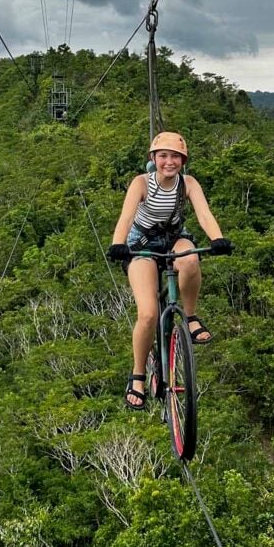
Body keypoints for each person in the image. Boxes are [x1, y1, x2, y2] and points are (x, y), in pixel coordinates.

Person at [107, 131, 233, 410]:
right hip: (141, 244)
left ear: (183, 161)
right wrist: (117, 244)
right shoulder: (141, 183)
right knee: (149, 313)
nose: (169, 161)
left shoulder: (187, 184)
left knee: (189, 259)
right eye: (163, 156)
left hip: (174, 237)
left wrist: (217, 238)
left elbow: (203, 214)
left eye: (175, 156)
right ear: (153, 158)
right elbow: (126, 216)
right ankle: (138, 375)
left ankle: (189, 317)